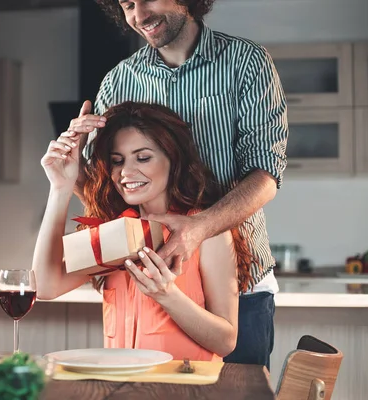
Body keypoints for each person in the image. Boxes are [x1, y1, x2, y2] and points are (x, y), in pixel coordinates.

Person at [64, 0, 288, 369]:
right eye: (127, 5)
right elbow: (103, 181)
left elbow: (265, 174)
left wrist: (199, 229)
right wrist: (68, 169)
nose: (138, 16)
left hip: (237, 285)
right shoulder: (119, 80)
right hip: (152, 285)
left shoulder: (245, 62)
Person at [33, 101, 255, 360]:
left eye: (143, 157)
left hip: (186, 387)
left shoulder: (206, 231)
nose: (126, 172)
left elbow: (225, 341)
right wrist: (61, 186)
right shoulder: (113, 230)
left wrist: (167, 295)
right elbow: (45, 287)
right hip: (122, 387)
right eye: (117, 161)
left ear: (173, 158)